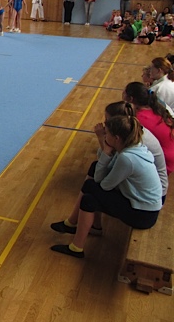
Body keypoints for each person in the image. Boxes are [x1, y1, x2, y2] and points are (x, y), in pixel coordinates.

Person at [50, 115, 161, 259]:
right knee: (93, 177)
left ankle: (75, 241)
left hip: (142, 215)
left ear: (116, 138)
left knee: (90, 191)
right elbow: (103, 170)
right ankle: (82, 233)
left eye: (106, 133)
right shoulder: (131, 147)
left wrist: (106, 152)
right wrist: (106, 153)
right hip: (143, 207)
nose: (104, 136)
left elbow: (103, 184)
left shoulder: (127, 158)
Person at [123, 81, 174, 175]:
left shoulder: (139, 118)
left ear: (130, 99)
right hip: (169, 156)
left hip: (164, 163)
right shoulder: (156, 107)